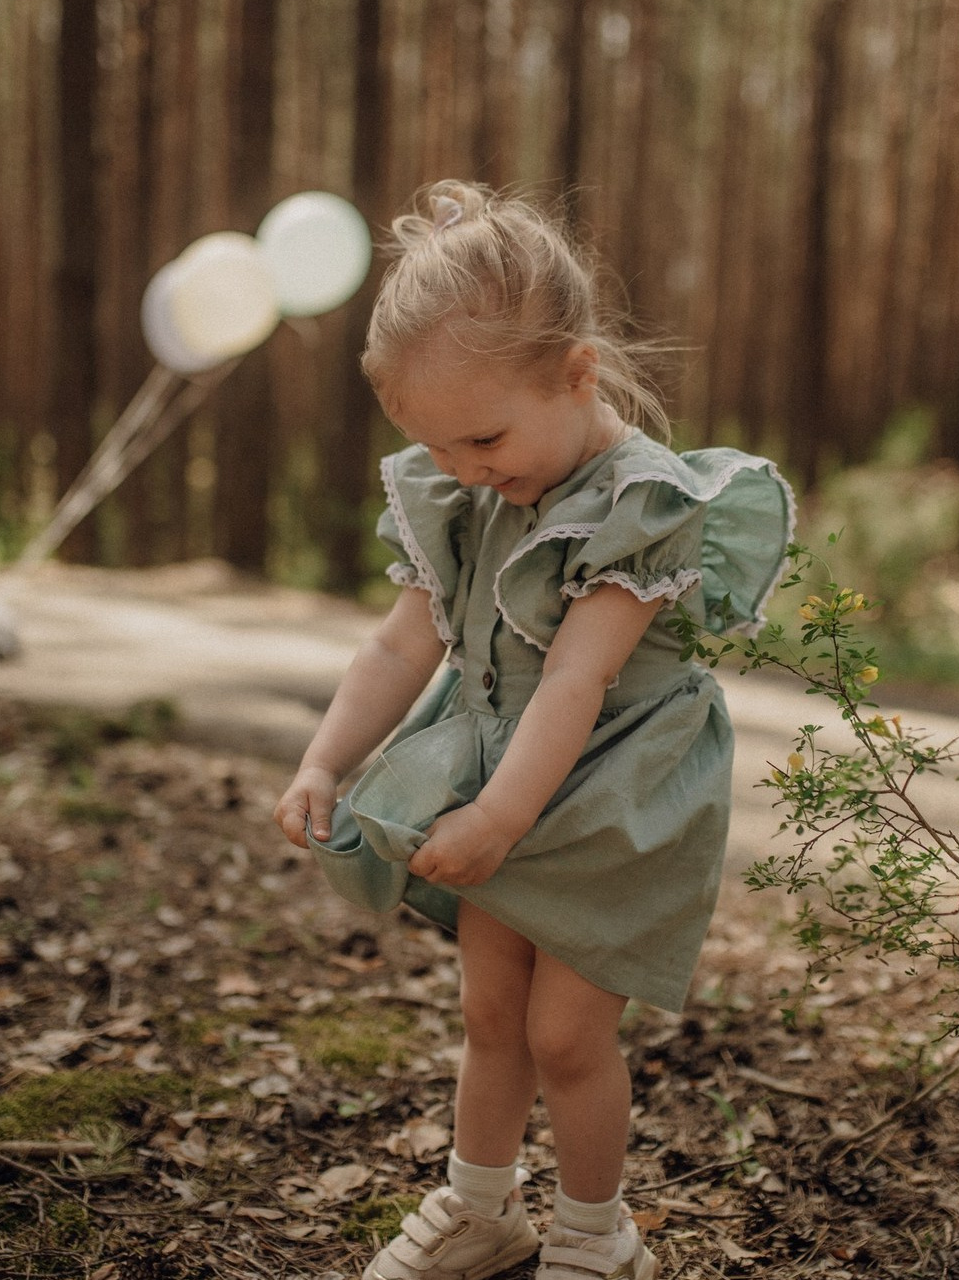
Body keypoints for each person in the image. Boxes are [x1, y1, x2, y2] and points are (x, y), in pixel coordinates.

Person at [274, 179, 794, 1280]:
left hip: (609, 786)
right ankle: (480, 1207)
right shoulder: (472, 489)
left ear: (576, 373)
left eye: (482, 438)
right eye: (442, 449)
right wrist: (328, 755)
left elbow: (573, 678)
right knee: (489, 1010)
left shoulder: (636, 503)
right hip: (499, 774)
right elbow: (396, 648)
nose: (465, 469)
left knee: (565, 1031)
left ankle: (596, 1234)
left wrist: (499, 814)